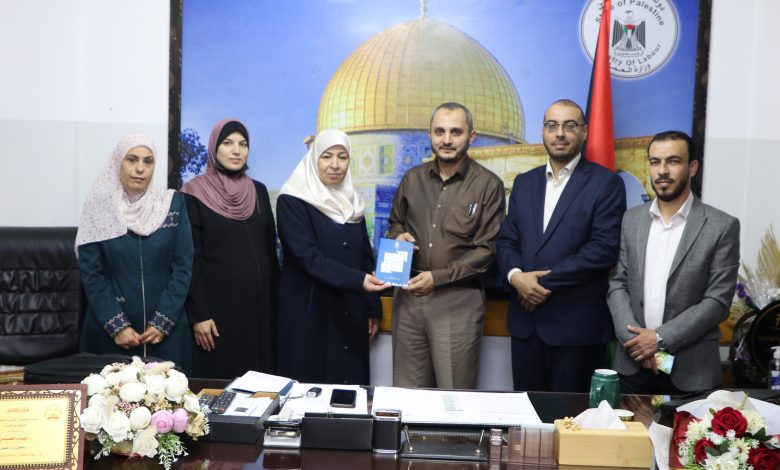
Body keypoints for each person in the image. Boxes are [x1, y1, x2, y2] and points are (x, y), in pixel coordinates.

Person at [496, 99, 626, 392]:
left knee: (571, 416)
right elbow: (506, 241)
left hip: (576, 331)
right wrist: (516, 277)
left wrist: (536, 285)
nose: (560, 133)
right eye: (552, 125)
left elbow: (602, 249)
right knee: (528, 415)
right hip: (526, 328)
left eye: (569, 126)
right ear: (543, 132)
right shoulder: (524, 183)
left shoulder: (606, 184)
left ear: (584, 132)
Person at [607, 131, 739, 394]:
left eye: (673, 161)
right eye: (655, 162)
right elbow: (617, 284)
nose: (662, 171)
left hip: (692, 373)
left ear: (692, 167)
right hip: (633, 366)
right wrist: (637, 344)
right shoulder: (631, 220)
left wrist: (658, 340)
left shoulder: (721, 226)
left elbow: (717, 301)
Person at [387, 102, 506, 389]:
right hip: (409, 300)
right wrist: (398, 236)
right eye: (440, 131)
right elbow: (395, 224)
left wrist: (437, 278)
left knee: (453, 397)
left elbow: (487, 251)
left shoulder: (488, 185)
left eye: (456, 132)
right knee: (407, 395)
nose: (447, 140)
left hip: (458, 302)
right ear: (429, 134)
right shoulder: (412, 179)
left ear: (471, 136)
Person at [275, 129, 386, 385]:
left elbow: (365, 257)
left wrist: (372, 307)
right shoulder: (292, 201)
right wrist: (359, 281)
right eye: (326, 156)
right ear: (314, 159)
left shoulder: (353, 203)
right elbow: (308, 257)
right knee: (310, 389)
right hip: (309, 311)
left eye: (342, 157)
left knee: (347, 391)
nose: (335, 165)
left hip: (350, 309)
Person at [77, 134, 193, 371]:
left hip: (166, 334)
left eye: (148, 161)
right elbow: (91, 273)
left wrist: (163, 321)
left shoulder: (172, 204)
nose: (140, 168)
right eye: (132, 160)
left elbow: (183, 266)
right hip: (108, 335)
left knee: (170, 394)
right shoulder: (99, 208)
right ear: (117, 163)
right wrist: (116, 326)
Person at [181, 119, 279, 379]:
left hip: (260, 311)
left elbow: (270, 251)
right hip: (218, 314)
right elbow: (189, 259)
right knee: (223, 387)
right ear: (214, 147)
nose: (236, 151)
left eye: (243, 144)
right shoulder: (193, 193)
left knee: (261, 386)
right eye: (228, 143)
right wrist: (199, 315)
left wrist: (276, 306)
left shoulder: (258, 191)